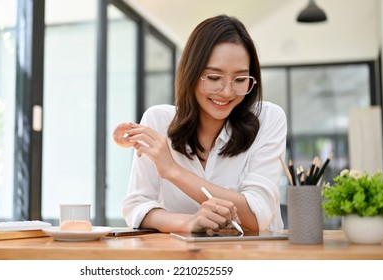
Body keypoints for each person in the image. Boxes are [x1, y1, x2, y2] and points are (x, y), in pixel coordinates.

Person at [121, 15, 287, 233]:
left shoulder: (268, 118)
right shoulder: (157, 121)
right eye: (214, 78)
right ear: (191, 73)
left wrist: (173, 171)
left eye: (239, 80)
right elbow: (137, 206)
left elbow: (258, 216)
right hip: (185, 261)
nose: (227, 92)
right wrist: (189, 223)